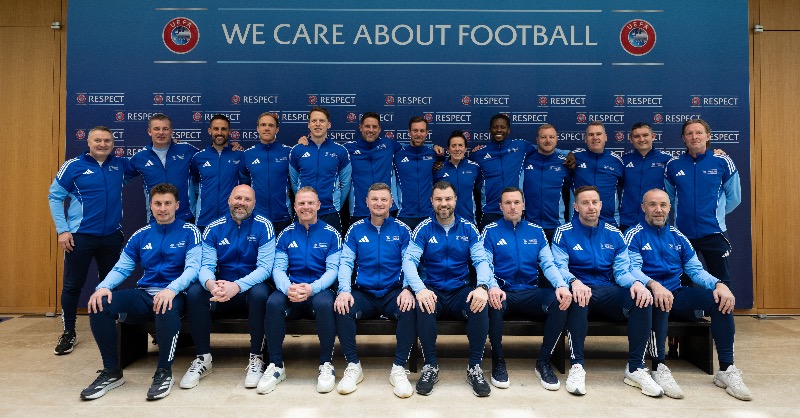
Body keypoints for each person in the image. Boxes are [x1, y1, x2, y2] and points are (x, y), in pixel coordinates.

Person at [625, 189, 751, 401]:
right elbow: (632, 269)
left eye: (663, 205)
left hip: (677, 293)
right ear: (643, 208)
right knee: (658, 299)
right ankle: (659, 366)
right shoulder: (633, 235)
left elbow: (695, 270)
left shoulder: (678, 236)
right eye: (653, 205)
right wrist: (653, 285)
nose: (658, 210)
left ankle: (727, 369)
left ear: (669, 208)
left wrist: (718, 284)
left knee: (719, 300)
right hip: (651, 294)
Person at [80, 183, 201, 401]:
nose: (162, 208)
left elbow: (193, 269)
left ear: (177, 205)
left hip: (176, 295)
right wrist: (103, 287)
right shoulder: (141, 235)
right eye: (157, 203)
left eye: (167, 203)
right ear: (151, 206)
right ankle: (111, 372)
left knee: (165, 306)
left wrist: (171, 289)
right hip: (144, 293)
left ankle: (164, 372)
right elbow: (122, 267)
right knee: (100, 305)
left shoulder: (190, 231)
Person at [551, 186, 661, 397]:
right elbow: (559, 267)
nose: (590, 207)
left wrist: (636, 283)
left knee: (642, 298)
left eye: (594, 202)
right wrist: (573, 281)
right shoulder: (563, 232)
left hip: (608, 290)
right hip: (581, 290)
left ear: (601, 205)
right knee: (578, 299)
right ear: (576, 207)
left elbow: (621, 272)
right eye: (584, 203)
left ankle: (636, 367)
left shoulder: (614, 233)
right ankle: (577, 366)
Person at [402, 181, 493, 397]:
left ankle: (474, 367)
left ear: (455, 201)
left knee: (480, 304)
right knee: (422, 305)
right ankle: (430, 366)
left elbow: (481, 261)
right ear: (431, 201)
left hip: (460, 290)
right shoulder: (423, 229)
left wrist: (482, 287)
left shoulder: (469, 228)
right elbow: (409, 261)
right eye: (439, 199)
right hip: (432, 289)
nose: (444, 203)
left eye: (448, 199)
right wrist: (420, 289)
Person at [48, 126, 133, 355]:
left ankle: (110, 327)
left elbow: (147, 165)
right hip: (80, 236)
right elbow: (55, 196)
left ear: (113, 143)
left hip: (111, 236)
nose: (102, 144)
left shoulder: (120, 165)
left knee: (110, 284)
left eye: (107, 141)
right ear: (88, 142)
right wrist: (63, 230)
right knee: (73, 285)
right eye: (98, 140)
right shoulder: (73, 166)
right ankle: (69, 332)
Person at [180, 185, 275, 390]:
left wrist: (238, 286)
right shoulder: (214, 227)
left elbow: (266, 268)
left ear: (254, 203)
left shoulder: (264, 226)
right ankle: (203, 358)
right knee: (196, 292)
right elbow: (205, 266)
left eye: (247, 199)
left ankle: (256, 358)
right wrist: (211, 284)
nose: (242, 203)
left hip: (250, 288)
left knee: (261, 294)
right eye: (238, 198)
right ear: (229, 200)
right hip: (221, 290)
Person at [482, 187, 571, 390]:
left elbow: (548, 264)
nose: (512, 207)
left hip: (531, 292)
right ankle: (498, 360)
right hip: (504, 292)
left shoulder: (536, 231)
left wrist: (561, 285)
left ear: (523, 205)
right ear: (500, 206)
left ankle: (543, 360)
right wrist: (493, 287)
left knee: (560, 302)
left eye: (516, 202)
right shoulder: (490, 231)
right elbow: (485, 264)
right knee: (492, 302)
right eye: (507, 203)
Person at [334, 183, 416, 397]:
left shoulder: (402, 230)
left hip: (393, 292)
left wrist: (408, 288)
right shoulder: (356, 229)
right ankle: (353, 366)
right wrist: (344, 290)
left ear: (391, 202)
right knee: (342, 307)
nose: (379, 203)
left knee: (409, 308)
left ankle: (398, 368)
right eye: (374, 199)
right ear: (367, 202)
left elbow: (409, 263)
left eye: (383, 199)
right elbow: (345, 263)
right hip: (364, 293)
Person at [258, 186, 341, 395]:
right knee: (273, 302)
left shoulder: (331, 234)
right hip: (291, 289)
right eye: (301, 203)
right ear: (294, 207)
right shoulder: (285, 234)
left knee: (324, 304)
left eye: (310, 203)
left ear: (318, 206)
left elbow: (333, 270)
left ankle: (326, 364)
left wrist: (313, 288)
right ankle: (276, 365)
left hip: (319, 289)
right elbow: (278, 268)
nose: (306, 207)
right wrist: (288, 288)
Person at [665, 119, 741, 288]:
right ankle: (688, 315)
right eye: (689, 133)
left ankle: (721, 315)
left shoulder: (722, 161)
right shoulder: (673, 165)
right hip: (683, 234)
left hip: (714, 232)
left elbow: (734, 198)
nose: (694, 137)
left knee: (721, 278)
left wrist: (714, 215)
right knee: (683, 280)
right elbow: (669, 198)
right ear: (683, 138)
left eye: (699, 133)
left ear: (708, 136)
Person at [289, 106, 352, 234]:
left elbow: (346, 183)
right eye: (314, 121)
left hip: (330, 212)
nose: (318, 124)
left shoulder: (340, 151)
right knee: (301, 251)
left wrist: (336, 205)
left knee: (331, 252)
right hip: (304, 212)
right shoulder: (297, 150)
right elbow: (294, 182)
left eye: (322, 121)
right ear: (309, 124)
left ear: (328, 125)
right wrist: (303, 201)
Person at [129, 114, 199, 222]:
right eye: (156, 129)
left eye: (165, 129)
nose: (161, 132)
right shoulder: (140, 157)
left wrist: (231, 150)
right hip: (156, 219)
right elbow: (118, 173)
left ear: (171, 131)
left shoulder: (186, 150)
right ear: (149, 131)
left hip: (185, 217)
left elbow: (210, 158)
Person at [342, 112, 402, 226]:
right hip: (359, 210)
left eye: (374, 127)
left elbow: (412, 149)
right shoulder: (348, 148)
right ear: (360, 127)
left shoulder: (389, 145)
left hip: (386, 208)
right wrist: (306, 142)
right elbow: (327, 150)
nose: (371, 130)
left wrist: (433, 148)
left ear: (379, 129)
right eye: (367, 126)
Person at [239, 112, 293, 235]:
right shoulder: (248, 155)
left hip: (283, 216)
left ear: (277, 129)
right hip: (257, 217)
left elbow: (296, 181)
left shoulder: (288, 152)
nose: (267, 128)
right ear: (258, 128)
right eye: (263, 125)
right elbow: (244, 183)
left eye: (271, 125)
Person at [190, 114, 243, 231]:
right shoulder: (199, 157)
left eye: (223, 129)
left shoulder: (239, 156)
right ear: (210, 131)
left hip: (232, 218)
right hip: (204, 219)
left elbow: (246, 182)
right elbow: (194, 184)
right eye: (216, 129)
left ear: (229, 132)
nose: (219, 132)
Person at [521, 123, 571, 241]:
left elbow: (571, 193)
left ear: (557, 140)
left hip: (556, 225)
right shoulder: (524, 160)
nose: (548, 140)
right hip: (528, 225)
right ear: (537, 140)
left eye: (551, 137)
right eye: (543, 137)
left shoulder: (566, 163)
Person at [619, 122, 672, 232]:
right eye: (636, 136)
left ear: (653, 136)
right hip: (628, 221)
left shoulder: (668, 160)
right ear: (630, 139)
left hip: (655, 220)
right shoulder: (623, 160)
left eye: (645, 135)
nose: (641, 139)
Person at [570, 122, 624, 226]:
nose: (595, 137)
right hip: (579, 220)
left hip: (609, 221)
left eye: (599, 134)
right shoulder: (574, 157)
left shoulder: (616, 161)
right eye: (591, 135)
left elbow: (624, 186)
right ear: (585, 139)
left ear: (606, 137)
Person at [394, 116, 437, 231]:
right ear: (409, 132)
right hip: (404, 215)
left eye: (422, 131)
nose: (418, 134)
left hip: (428, 214)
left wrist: (433, 147)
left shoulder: (433, 154)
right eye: (415, 130)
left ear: (427, 132)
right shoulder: (397, 153)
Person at [433, 130, 481, 224]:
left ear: (465, 148)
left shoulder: (475, 168)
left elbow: (480, 195)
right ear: (448, 149)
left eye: (460, 145)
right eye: (453, 145)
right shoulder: (439, 169)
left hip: (468, 221)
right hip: (444, 222)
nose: (457, 149)